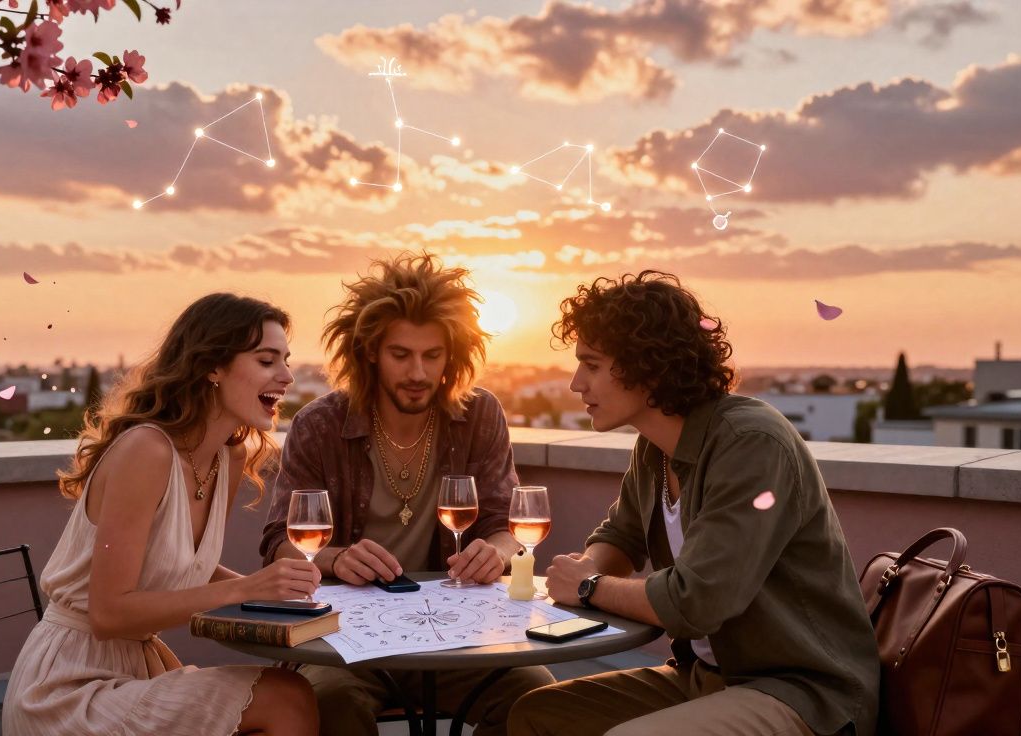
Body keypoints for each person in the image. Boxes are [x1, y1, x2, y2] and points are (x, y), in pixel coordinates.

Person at [509, 271, 879, 736]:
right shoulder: (654, 447)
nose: (575, 384)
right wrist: (585, 569)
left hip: (802, 691)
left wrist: (588, 586)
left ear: (649, 367)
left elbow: (698, 600)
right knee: (534, 715)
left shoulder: (751, 444)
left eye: (592, 365)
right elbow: (621, 536)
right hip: (705, 678)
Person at [260, 252, 554, 735]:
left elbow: (505, 526)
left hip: (459, 633)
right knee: (328, 701)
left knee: (536, 697)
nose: (418, 373)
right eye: (401, 355)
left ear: (451, 356)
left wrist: (496, 553)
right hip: (345, 638)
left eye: (432, 355)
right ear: (370, 352)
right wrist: (336, 559)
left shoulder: (479, 415)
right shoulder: (320, 424)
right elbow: (279, 543)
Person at [3, 293, 320, 736]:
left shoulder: (227, 457)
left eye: (286, 360)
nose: (286, 376)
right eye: (267, 361)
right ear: (213, 366)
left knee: (292, 692)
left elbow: (191, 568)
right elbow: (108, 614)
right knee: (285, 698)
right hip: (67, 687)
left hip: (136, 668)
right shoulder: (146, 451)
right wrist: (249, 588)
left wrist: (280, 595)